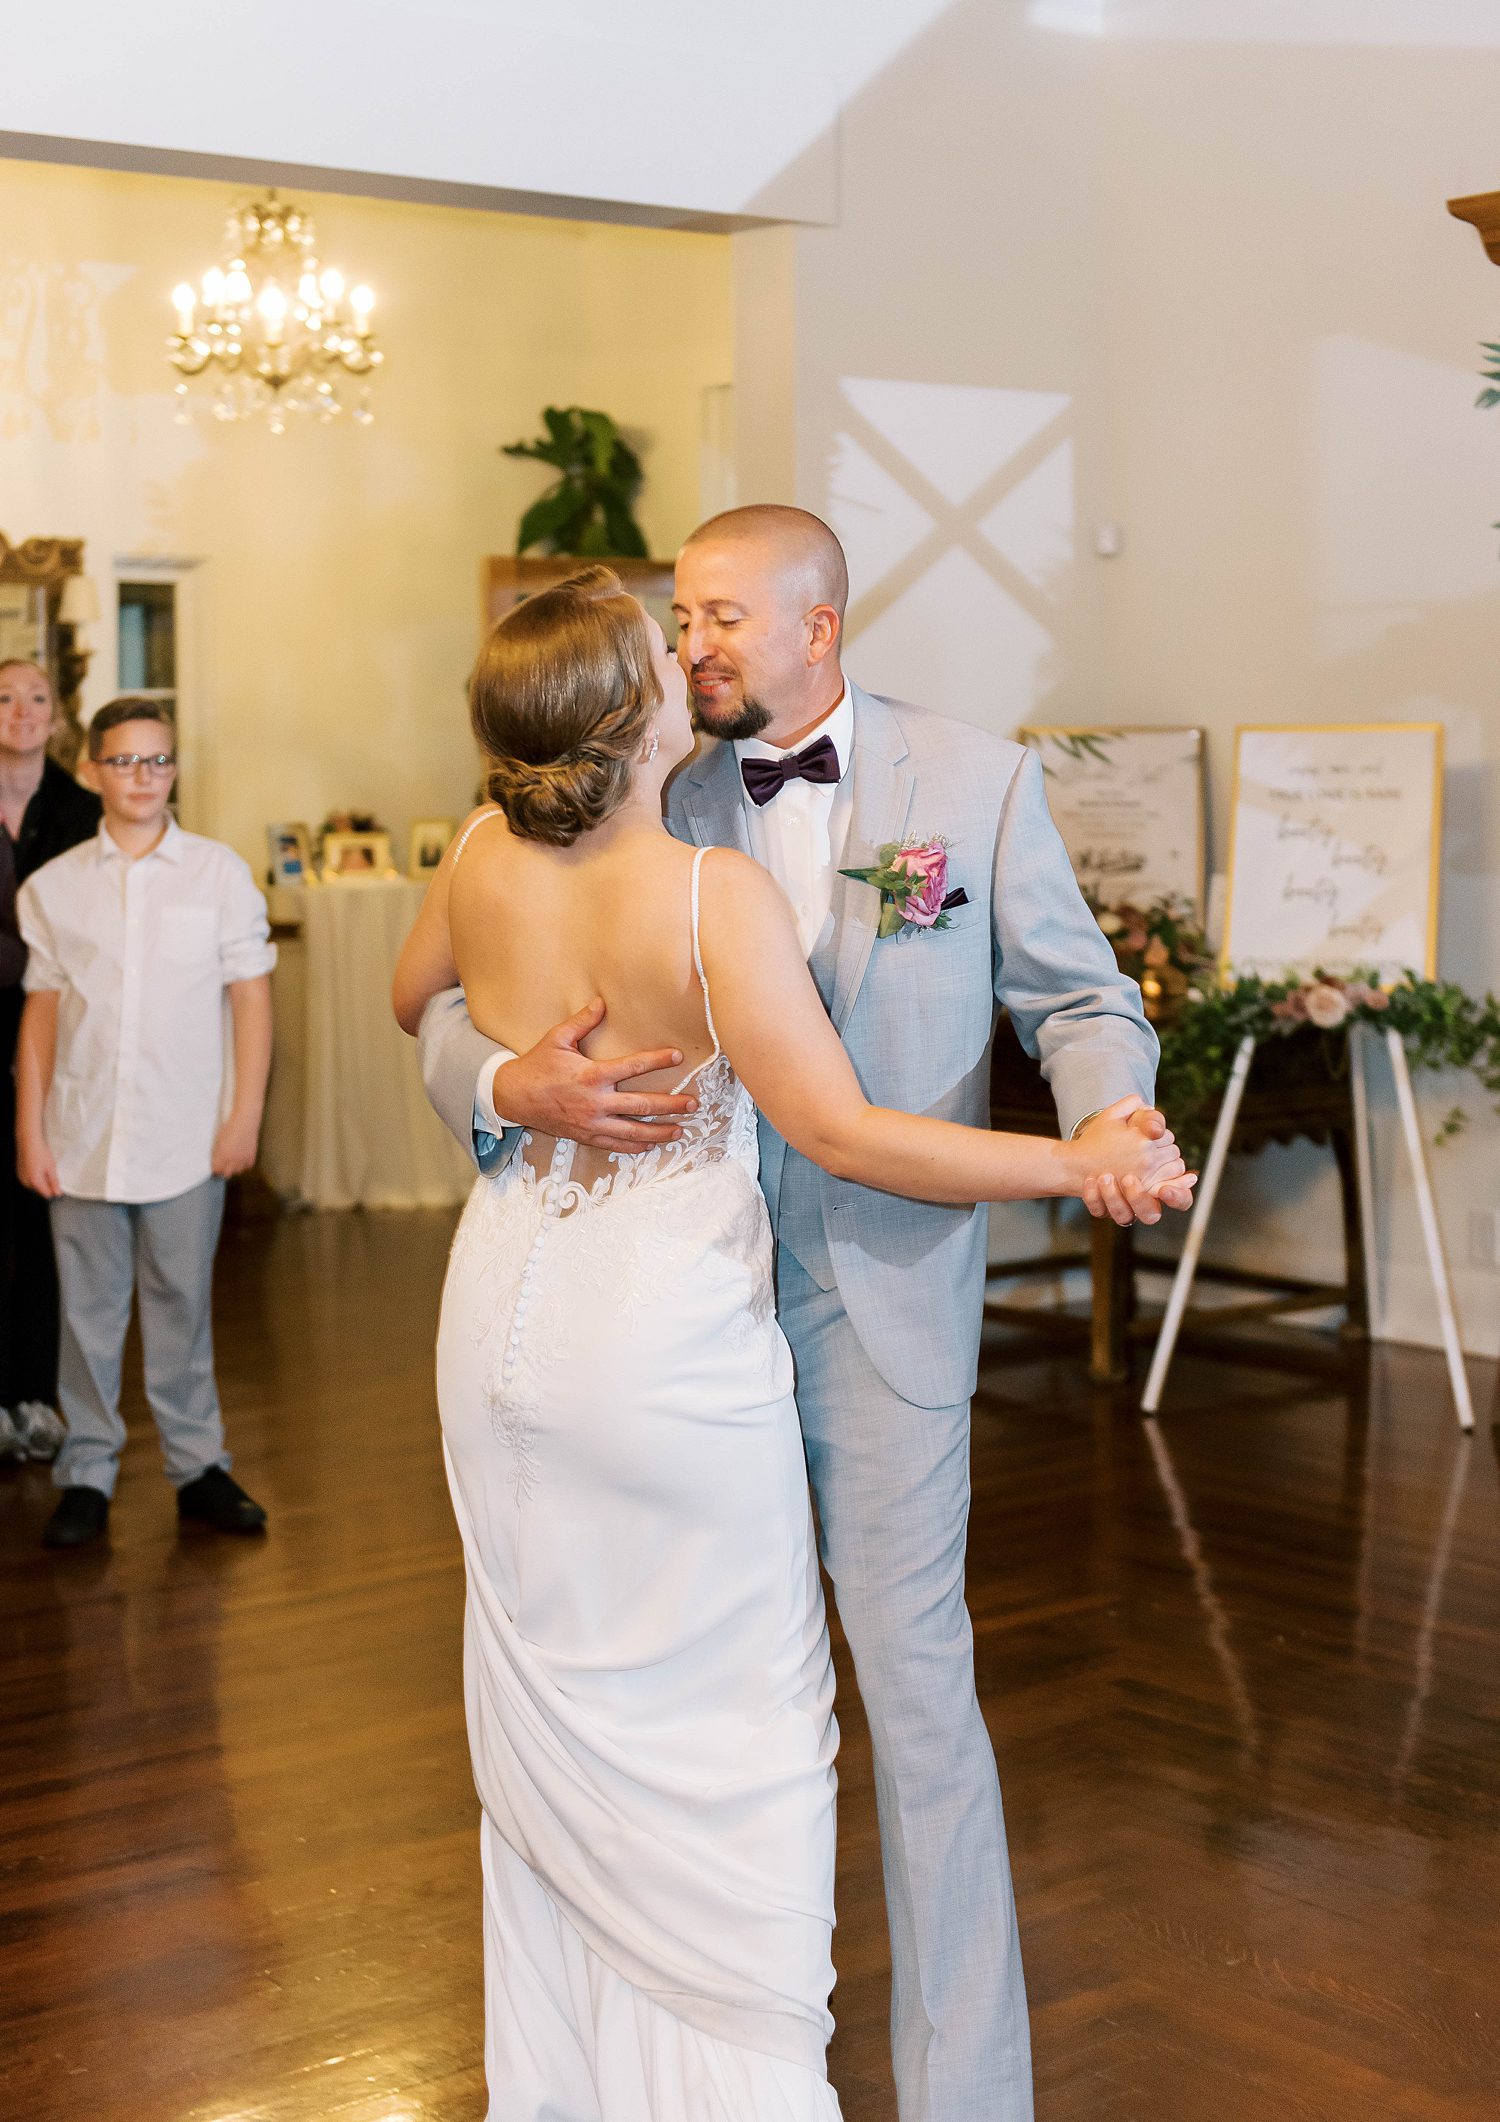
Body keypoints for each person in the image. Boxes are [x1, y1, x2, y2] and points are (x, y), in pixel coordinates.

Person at [394, 564, 1193, 2121]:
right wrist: (510, 1086)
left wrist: (1101, 1111)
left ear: (817, 623)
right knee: (687, 1708)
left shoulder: (972, 777)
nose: (692, 643)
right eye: (673, 621)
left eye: (719, 615)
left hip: (867, 1303)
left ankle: (964, 2097)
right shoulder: (632, 790)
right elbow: (436, 1012)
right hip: (670, 1321)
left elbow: (1077, 992)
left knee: (912, 1707)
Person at [15, 698, 276, 1550]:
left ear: (173, 768)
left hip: (185, 1135)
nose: (143, 777)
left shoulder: (219, 874)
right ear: (91, 770)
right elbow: (43, 1015)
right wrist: (30, 1130)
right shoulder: (52, 889)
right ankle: (86, 1472)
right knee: (86, 1317)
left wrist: (244, 1115)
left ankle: (198, 1466)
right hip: (83, 1134)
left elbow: (251, 1003)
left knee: (182, 1305)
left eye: (158, 761)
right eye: (125, 761)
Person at [0, 659, 101, 1465]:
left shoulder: (83, 809)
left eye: (36, 698)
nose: (20, 711)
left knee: (39, 1214)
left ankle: (33, 1393)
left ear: (57, 717)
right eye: (3, 697)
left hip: (56, 1028)